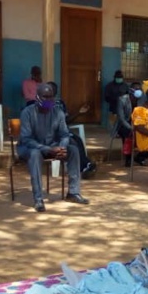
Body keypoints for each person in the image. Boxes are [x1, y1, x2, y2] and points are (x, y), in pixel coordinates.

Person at [17, 83, 89, 212]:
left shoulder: (58, 112)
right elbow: (26, 139)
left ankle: (73, 192)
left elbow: (65, 134)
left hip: (52, 147)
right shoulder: (27, 113)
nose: (49, 100)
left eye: (51, 97)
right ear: (37, 97)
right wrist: (47, 149)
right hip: (29, 148)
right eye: (45, 97)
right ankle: (38, 199)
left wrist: (61, 147)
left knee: (73, 150)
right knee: (35, 154)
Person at [47, 81, 95, 179]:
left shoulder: (60, 103)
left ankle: (85, 166)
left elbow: (66, 120)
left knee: (78, 140)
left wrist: (79, 113)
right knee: (73, 142)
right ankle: (85, 166)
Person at [115, 81, 148, 167]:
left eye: (140, 89)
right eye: (136, 89)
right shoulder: (122, 100)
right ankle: (128, 159)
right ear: (131, 90)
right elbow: (122, 119)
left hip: (139, 123)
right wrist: (131, 128)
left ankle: (140, 157)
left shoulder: (143, 99)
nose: (139, 91)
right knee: (127, 133)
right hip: (125, 124)